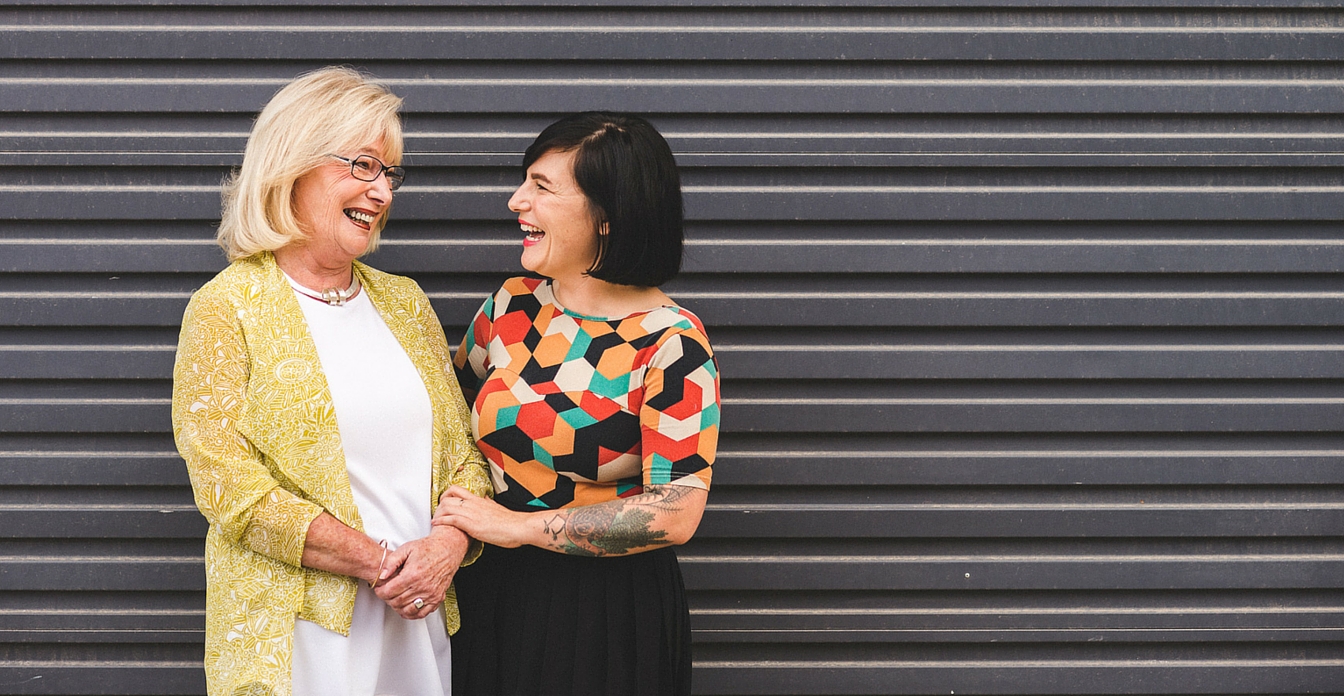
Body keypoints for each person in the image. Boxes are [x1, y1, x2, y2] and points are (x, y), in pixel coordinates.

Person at [171, 66, 491, 696]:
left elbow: (465, 461)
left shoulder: (404, 303)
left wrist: (444, 548)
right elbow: (226, 485)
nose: (383, 192)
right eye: (364, 165)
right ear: (292, 164)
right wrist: (380, 563)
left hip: (414, 622)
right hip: (296, 635)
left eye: (389, 173)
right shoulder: (226, 308)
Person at [434, 112, 720, 696]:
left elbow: (675, 512)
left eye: (541, 187)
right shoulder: (511, 307)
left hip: (604, 613)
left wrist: (518, 526)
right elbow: (444, 412)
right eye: (524, 182)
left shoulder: (671, 342)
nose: (517, 201)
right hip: (489, 587)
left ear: (608, 217)